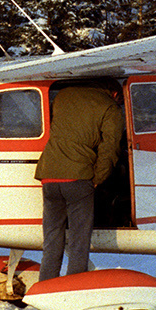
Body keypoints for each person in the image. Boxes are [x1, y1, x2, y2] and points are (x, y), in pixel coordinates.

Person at [35, 83, 124, 284]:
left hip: (49, 175)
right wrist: (98, 179)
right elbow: (110, 149)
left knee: (52, 239)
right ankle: (73, 289)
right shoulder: (110, 108)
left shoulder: (63, 96)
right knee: (78, 241)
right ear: (116, 93)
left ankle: (45, 298)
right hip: (78, 177)